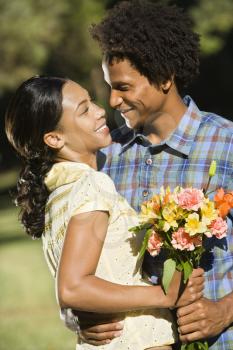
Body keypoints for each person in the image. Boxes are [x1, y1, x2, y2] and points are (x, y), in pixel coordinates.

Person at [72, 1, 233, 349]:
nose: (112, 100)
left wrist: (224, 310)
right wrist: (79, 318)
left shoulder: (226, 144)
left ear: (164, 78)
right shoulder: (104, 157)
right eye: (109, 86)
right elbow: (77, 258)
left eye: (124, 87)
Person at [5, 76, 204, 350]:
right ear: (54, 138)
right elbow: (72, 288)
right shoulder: (92, 185)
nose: (100, 110)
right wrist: (163, 296)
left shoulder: (57, 194)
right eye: (84, 110)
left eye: (91, 101)